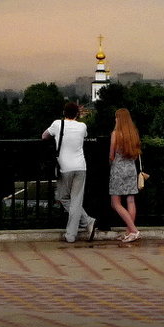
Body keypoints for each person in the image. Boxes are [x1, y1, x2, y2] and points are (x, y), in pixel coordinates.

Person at [42, 102, 96, 243]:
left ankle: (72, 234)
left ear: (63, 112)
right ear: (77, 114)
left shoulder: (57, 124)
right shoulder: (82, 126)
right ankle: (87, 222)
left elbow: (44, 136)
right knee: (76, 200)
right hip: (80, 166)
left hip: (64, 167)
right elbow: (84, 136)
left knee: (63, 197)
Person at [108, 108, 142, 243]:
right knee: (130, 200)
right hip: (131, 169)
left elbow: (111, 155)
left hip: (118, 170)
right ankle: (129, 232)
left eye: (116, 117)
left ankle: (133, 230)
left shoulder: (115, 134)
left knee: (115, 203)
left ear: (119, 119)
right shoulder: (134, 133)